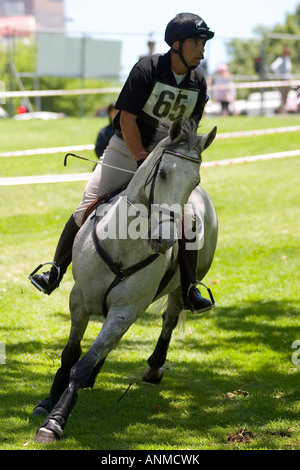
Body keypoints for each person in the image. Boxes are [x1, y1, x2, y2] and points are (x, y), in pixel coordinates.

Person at [29, 12, 215, 313]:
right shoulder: (147, 68)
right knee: (88, 202)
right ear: (176, 44)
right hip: (128, 149)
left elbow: (189, 132)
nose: (202, 49)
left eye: (203, 42)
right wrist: (141, 156)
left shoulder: (199, 81)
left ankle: (189, 286)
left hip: (166, 159)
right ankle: (56, 269)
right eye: (196, 42)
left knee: (188, 218)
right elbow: (126, 118)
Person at [270, 47, 292, 113]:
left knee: (285, 98)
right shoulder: (280, 59)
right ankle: (281, 112)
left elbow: (288, 72)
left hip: (288, 82)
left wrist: (291, 77)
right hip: (282, 82)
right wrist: (279, 76)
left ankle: (282, 111)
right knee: (282, 98)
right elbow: (273, 67)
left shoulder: (288, 60)